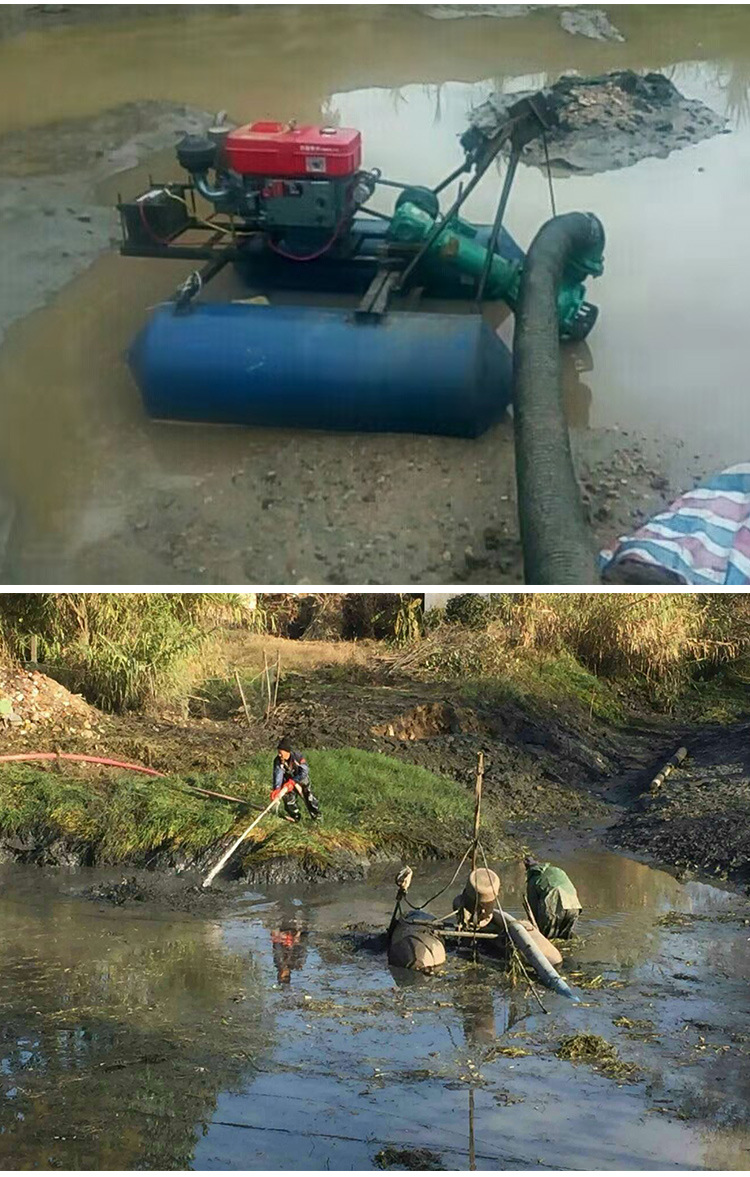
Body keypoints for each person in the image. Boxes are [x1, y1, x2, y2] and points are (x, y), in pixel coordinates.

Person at [524, 855, 582, 939]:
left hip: (553, 904)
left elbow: (533, 907)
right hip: (574, 905)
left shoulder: (533, 879)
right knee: (565, 938)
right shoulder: (557, 870)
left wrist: (535, 926)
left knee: (547, 938)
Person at [272, 737, 321, 823]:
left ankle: (317, 818)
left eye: (281, 753)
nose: (279, 755)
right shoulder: (277, 761)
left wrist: (294, 781)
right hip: (286, 782)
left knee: (309, 799)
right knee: (288, 801)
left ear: (287, 752)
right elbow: (278, 775)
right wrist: (277, 789)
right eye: (278, 752)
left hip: (300, 779)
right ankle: (295, 817)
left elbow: (304, 771)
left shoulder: (298, 757)